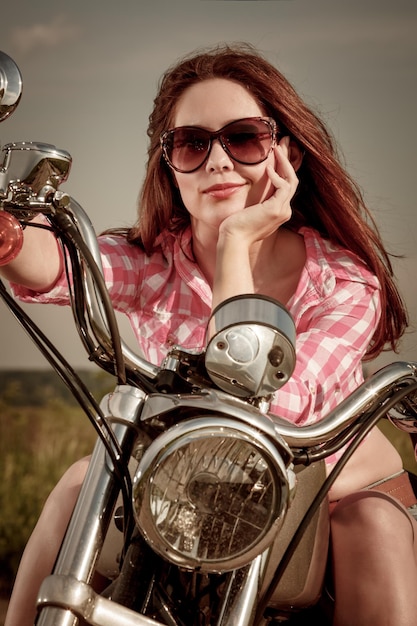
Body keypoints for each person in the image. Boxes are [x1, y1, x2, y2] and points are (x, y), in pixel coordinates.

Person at [2, 42, 416, 626]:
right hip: (183, 483)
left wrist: (236, 244)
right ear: (169, 164)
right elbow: (66, 263)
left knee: (373, 527)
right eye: (193, 144)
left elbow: (262, 398)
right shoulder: (155, 262)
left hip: (321, 484)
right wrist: (13, 239)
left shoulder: (343, 282)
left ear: (287, 154)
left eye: (243, 138)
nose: (218, 160)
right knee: (78, 486)